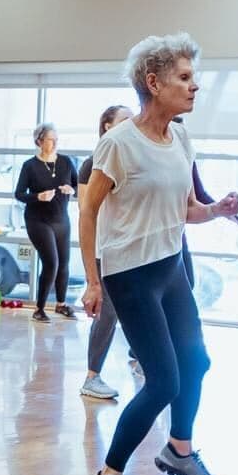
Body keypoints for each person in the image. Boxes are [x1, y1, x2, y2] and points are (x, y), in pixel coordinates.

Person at [76, 38, 238, 475]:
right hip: (129, 275)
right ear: (154, 82)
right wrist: (92, 280)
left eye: (194, 77)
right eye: (185, 78)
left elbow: (188, 211)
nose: (195, 85)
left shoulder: (181, 139)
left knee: (197, 362)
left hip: (169, 268)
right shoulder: (118, 143)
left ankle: (179, 451)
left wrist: (217, 210)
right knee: (163, 380)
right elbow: (88, 212)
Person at [76, 105, 133, 403]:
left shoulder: (129, 161)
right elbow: (86, 212)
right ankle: (91, 377)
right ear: (107, 126)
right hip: (102, 251)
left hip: (125, 250)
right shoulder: (91, 164)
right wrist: (91, 275)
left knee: (124, 311)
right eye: (124, 120)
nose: (131, 124)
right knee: (107, 313)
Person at [15, 122, 78, 321]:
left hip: (61, 218)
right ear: (40, 141)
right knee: (51, 262)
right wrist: (38, 197)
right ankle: (39, 309)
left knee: (64, 263)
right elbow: (19, 194)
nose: (55, 142)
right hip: (37, 220)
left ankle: (61, 304)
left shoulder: (67, 162)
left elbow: (77, 185)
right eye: (51, 139)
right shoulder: (30, 166)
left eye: (56, 139)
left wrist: (72, 190)